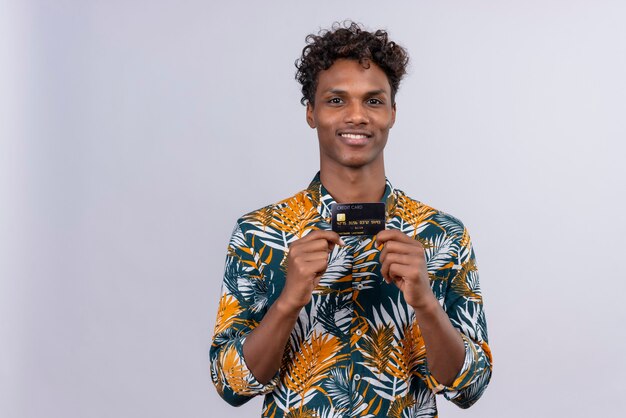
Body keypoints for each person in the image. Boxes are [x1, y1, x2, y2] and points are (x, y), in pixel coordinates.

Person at [210, 22, 492, 418]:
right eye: (337, 100)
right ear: (311, 112)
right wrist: (288, 302)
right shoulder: (261, 232)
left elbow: (470, 388)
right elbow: (231, 385)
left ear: (393, 112)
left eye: (373, 101)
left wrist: (426, 305)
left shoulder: (442, 235)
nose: (357, 116)